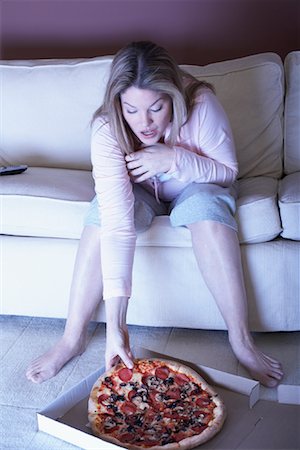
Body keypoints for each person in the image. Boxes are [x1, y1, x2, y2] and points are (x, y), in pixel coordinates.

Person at [26, 41, 283, 387]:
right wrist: (117, 325)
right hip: (142, 192)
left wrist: (173, 159)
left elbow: (227, 171)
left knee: (206, 207)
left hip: (196, 182)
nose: (143, 123)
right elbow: (117, 223)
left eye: (156, 108)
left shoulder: (201, 103)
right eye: (131, 109)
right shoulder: (107, 129)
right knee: (102, 211)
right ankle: (71, 338)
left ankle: (241, 342)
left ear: (173, 97)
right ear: (118, 104)